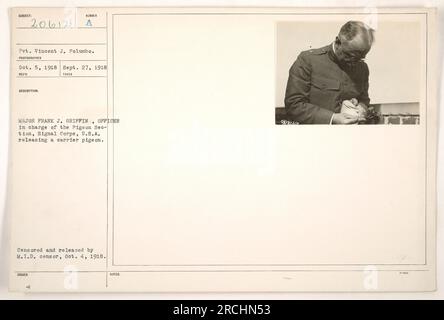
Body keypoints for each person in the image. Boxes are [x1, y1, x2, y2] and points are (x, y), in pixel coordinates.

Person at [284, 21, 375, 124]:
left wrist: (361, 108)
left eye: (360, 58)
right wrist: (333, 118)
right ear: (338, 42)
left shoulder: (362, 68)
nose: (353, 63)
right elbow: (294, 105)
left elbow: (364, 100)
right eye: (350, 56)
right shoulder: (308, 61)